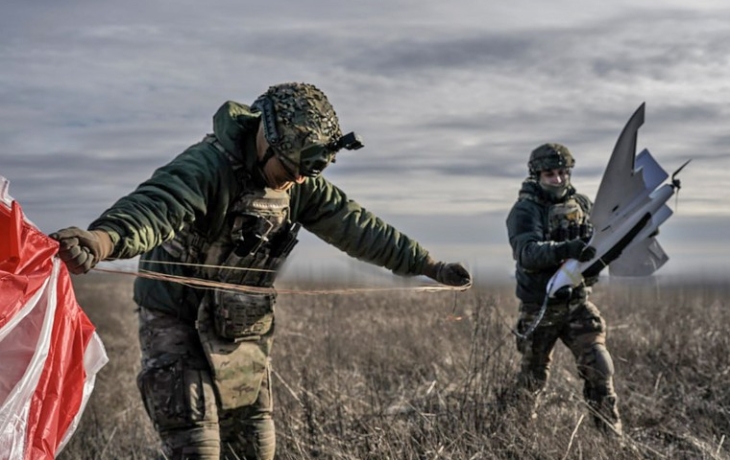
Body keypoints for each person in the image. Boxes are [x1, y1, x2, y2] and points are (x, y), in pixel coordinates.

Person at [50, 82, 472, 460]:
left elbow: (359, 228)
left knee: (256, 446)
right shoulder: (204, 169)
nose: (293, 183)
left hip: (240, 323)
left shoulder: (301, 185)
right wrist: (102, 241)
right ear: (264, 140)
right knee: (197, 445)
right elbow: (156, 206)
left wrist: (429, 265)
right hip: (176, 319)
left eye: (304, 175)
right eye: (288, 170)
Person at [505, 143, 622, 435]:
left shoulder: (581, 205)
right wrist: (567, 249)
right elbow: (526, 252)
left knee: (600, 367)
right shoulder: (525, 210)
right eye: (549, 174)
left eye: (562, 173)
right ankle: (517, 439)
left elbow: (603, 239)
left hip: (576, 302)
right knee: (532, 379)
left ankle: (611, 440)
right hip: (539, 306)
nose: (557, 180)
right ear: (536, 176)